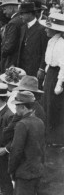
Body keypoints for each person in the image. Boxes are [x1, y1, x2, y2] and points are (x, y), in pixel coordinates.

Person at [6, 91, 45, 195]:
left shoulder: (22, 125)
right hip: (37, 171)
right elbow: (42, 148)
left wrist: (11, 170)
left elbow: (16, 151)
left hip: (24, 173)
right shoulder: (40, 122)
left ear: (23, 107)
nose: (15, 108)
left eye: (17, 105)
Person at [39, 12, 64, 146]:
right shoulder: (51, 41)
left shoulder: (61, 44)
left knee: (55, 106)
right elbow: (49, 61)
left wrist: (59, 83)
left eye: (48, 28)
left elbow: (63, 65)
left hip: (57, 76)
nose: (46, 29)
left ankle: (57, 139)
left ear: (55, 29)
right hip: (50, 75)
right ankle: (47, 136)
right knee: (46, 104)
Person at [17, 2, 48, 83]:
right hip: (22, 68)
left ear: (30, 14)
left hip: (35, 68)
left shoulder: (42, 30)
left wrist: (41, 68)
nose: (20, 16)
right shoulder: (23, 28)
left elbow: (45, 51)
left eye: (22, 14)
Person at [0, 0, 23, 73]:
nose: (4, 12)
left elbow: (9, 45)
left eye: (5, 9)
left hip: (10, 60)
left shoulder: (13, 23)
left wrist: (2, 52)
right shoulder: (20, 19)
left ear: (11, 8)